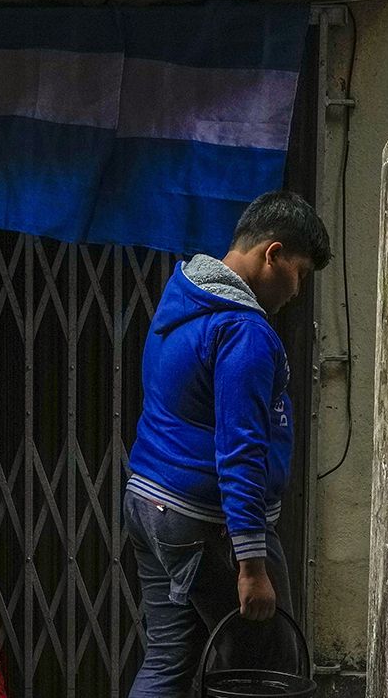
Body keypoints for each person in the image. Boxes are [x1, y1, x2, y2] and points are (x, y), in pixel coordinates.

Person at [123, 190, 330, 697]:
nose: (298, 290)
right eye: (299, 272)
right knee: (264, 667)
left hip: (149, 501)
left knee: (169, 658)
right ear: (272, 254)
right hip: (206, 518)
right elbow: (240, 452)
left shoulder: (183, 301)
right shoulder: (243, 330)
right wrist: (252, 566)